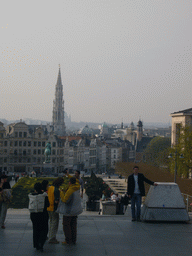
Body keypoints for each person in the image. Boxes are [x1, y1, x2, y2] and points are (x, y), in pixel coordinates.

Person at [58, 177, 82, 245]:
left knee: (66, 226)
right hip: (75, 210)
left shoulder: (71, 190)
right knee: (73, 226)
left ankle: (68, 240)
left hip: (69, 211)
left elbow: (65, 200)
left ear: (70, 182)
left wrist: (61, 193)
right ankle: (73, 240)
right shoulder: (77, 188)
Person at [29, 182, 49, 252]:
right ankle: (41, 244)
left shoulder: (31, 195)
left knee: (35, 229)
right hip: (43, 214)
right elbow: (48, 204)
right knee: (44, 229)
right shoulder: (44, 196)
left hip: (34, 215)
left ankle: (36, 244)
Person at [47, 177, 64, 244]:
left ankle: (50, 236)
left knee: (51, 223)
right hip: (54, 208)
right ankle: (52, 238)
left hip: (49, 208)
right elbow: (56, 201)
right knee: (55, 223)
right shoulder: (56, 190)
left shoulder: (50, 187)